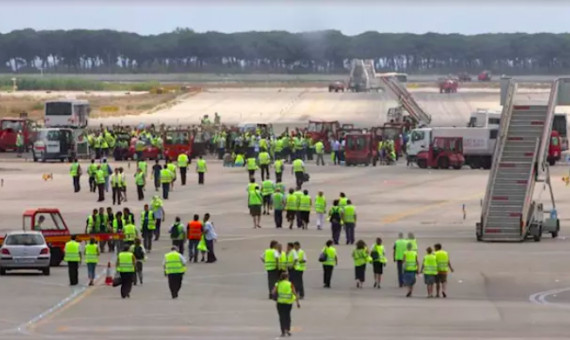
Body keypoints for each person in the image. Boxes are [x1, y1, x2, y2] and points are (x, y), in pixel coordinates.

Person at [272, 272, 300, 337]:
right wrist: (297, 302)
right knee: (287, 316)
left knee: (281, 317)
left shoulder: (278, 284)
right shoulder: (290, 284)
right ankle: (288, 329)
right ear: (287, 277)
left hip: (280, 302)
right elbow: (294, 293)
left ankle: (283, 331)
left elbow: (273, 292)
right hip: (288, 303)